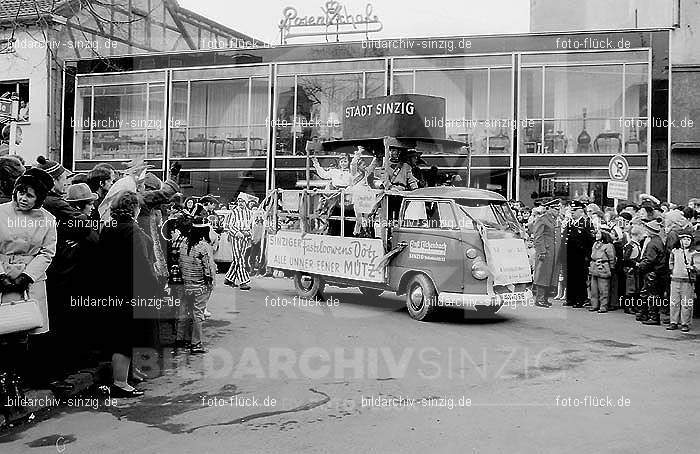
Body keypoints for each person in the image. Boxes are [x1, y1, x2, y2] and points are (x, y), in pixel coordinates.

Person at [0, 167, 57, 403]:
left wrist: (27, 276)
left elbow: (47, 252)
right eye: (20, 192)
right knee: (5, 330)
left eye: (30, 195)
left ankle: (27, 379)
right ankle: (5, 379)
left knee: (29, 331)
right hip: (2, 278)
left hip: (30, 280)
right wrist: (1, 274)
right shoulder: (1, 212)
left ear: (39, 199)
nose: (23, 198)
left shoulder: (47, 219)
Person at [97, 191, 161, 398]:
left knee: (121, 335)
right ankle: (120, 383)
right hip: (133, 291)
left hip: (113, 289)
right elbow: (143, 265)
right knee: (127, 337)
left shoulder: (109, 228)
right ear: (135, 208)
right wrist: (156, 288)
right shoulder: (133, 231)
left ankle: (128, 375)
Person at [177, 217, 217, 354]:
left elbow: (180, 263)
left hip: (186, 284)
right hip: (200, 286)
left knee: (184, 312)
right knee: (198, 314)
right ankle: (196, 344)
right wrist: (211, 283)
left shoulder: (183, 243)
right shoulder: (203, 247)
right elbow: (208, 269)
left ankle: (180, 339)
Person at [562, 200, 594, 307]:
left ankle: (580, 299)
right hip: (570, 254)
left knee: (579, 278)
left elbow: (590, 242)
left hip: (581, 255)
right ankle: (570, 298)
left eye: (575, 210)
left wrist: (588, 256)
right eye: (571, 210)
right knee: (570, 277)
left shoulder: (586, 224)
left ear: (581, 211)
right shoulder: (570, 223)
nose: (572, 212)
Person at [636, 219, 668, 325]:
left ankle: (653, 316)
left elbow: (649, 260)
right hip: (656, 272)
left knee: (651, 295)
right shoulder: (658, 241)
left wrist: (640, 266)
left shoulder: (652, 243)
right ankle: (646, 314)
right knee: (648, 294)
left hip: (652, 272)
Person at [667, 230, 698, 332]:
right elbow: (671, 262)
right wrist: (672, 271)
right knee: (674, 302)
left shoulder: (694, 253)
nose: (685, 242)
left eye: (688, 239)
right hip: (675, 279)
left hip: (687, 281)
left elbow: (698, 266)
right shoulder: (675, 251)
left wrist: (692, 267)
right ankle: (674, 321)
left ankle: (685, 323)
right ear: (679, 240)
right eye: (683, 239)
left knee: (686, 303)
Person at [532, 198, 560, 307]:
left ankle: (545, 297)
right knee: (542, 274)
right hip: (545, 251)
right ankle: (539, 298)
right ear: (549, 209)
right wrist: (541, 251)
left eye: (558, 209)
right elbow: (538, 237)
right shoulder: (542, 219)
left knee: (550, 275)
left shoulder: (554, 220)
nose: (557, 211)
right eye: (555, 209)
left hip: (552, 251)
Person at [224, 193, 253, 290]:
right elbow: (228, 225)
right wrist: (237, 233)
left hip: (245, 238)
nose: (241, 203)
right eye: (239, 201)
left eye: (243, 201)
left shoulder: (249, 213)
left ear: (246, 202)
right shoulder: (233, 212)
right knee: (240, 259)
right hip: (236, 237)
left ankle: (228, 278)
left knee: (238, 259)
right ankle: (243, 281)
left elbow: (251, 225)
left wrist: (249, 233)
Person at [588, 226, 616, 313]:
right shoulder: (595, 244)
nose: (596, 235)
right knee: (594, 288)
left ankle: (603, 306)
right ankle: (594, 305)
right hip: (594, 266)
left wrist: (611, 268)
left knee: (603, 288)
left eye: (599, 233)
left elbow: (612, 258)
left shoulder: (608, 246)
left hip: (603, 267)